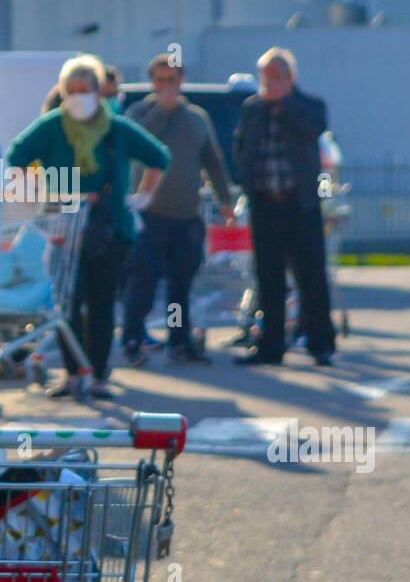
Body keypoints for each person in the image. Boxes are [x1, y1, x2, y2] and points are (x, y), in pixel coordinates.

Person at [7, 55, 170, 399]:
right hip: (63, 227)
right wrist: (36, 201)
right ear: (63, 92)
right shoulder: (53, 126)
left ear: (99, 92)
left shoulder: (116, 128)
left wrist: (143, 197)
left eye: (86, 90)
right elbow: (16, 156)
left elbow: (159, 157)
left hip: (109, 230)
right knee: (66, 303)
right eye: (73, 90)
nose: (79, 96)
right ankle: (71, 373)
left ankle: (97, 374)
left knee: (101, 302)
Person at [122, 54, 234, 365]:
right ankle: (133, 337)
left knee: (180, 284)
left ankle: (179, 339)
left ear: (181, 81)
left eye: (172, 80)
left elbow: (213, 161)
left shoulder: (196, 117)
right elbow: (137, 143)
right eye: (160, 80)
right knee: (143, 279)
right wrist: (161, 110)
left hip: (186, 216)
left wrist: (225, 201)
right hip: (149, 214)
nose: (167, 86)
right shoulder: (139, 112)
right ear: (152, 83)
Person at [231, 47, 336, 367]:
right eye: (265, 77)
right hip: (265, 205)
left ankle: (321, 343)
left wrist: (285, 102)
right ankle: (270, 346)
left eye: (276, 76)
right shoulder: (252, 109)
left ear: (290, 78)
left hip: (300, 205)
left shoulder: (309, 105)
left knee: (311, 277)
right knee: (268, 278)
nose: (269, 83)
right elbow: (241, 147)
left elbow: (311, 131)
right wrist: (247, 182)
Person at [42, 63, 122, 114]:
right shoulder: (52, 125)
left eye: (114, 95)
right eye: (107, 95)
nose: (110, 100)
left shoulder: (118, 129)